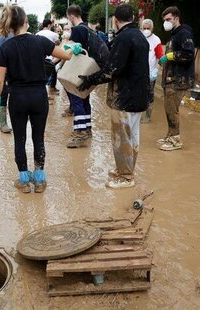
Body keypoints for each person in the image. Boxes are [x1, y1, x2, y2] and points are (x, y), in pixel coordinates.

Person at [0, 5, 79, 193]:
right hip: (39, 96)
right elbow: (65, 55)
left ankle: (24, 181)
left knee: (20, 139)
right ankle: (39, 180)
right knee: (38, 138)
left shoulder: (5, 47)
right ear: (25, 22)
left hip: (17, 98)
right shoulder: (40, 41)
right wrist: (73, 48)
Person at [78, 3, 150, 189]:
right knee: (132, 136)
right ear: (133, 19)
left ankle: (125, 177)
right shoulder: (140, 36)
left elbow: (111, 71)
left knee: (121, 137)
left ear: (116, 21)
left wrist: (90, 79)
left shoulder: (124, 38)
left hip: (125, 98)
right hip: (138, 96)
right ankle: (125, 170)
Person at [158, 6, 195, 151]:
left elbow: (188, 54)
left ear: (176, 18)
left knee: (172, 110)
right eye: (164, 20)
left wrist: (170, 56)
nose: (166, 22)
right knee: (169, 108)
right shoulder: (175, 34)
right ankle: (170, 135)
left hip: (179, 80)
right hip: (171, 79)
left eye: (168, 19)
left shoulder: (184, 33)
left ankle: (175, 140)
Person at [65, 5, 96, 148]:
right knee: (84, 99)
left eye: (68, 18)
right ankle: (87, 129)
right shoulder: (88, 29)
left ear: (71, 16)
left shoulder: (77, 30)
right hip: (89, 70)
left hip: (78, 70)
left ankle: (80, 132)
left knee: (76, 99)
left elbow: (71, 52)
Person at [141, 18, 163, 123]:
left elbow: (161, 58)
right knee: (138, 95)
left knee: (149, 96)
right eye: (144, 28)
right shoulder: (139, 38)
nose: (146, 30)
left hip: (150, 75)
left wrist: (156, 70)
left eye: (148, 28)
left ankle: (147, 117)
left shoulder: (156, 40)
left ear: (152, 29)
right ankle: (138, 116)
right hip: (139, 74)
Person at [0, 33, 13, 133]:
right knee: (4, 93)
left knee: (11, 92)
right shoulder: (10, 35)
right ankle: (3, 122)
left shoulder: (9, 34)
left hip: (7, 67)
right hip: (1, 67)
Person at [37, 18, 61, 94]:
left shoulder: (38, 33)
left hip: (40, 58)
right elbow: (58, 43)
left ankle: (50, 88)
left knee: (42, 75)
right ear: (49, 25)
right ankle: (49, 90)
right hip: (50, 57)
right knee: (52, 73)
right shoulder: (53, 34)